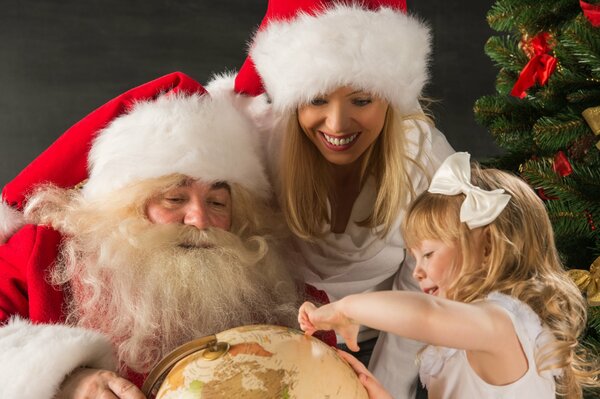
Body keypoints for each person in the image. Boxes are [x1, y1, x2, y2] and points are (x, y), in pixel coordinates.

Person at [0, 72, 332, 399]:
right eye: (174, 198)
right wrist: (63, 382)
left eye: (218, 202)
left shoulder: (273, 291)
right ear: (125, 205)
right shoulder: (39, 252)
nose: (200, 219)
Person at [219, 0, 455, 397]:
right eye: (316, 99)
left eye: (361, 100)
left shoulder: (424, 160)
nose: (337, 124)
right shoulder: (262, 145)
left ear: (389, 99)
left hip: (393, 341)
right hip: (277, 339)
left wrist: (380, 389)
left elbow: (422, 290)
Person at [299, 152, 600, 399]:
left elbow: (426, 316)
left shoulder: (502, 322)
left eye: (428, 254)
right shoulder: (476, 331)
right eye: (414, 257)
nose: (417, 271)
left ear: (487, 248)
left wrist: (345, 308)